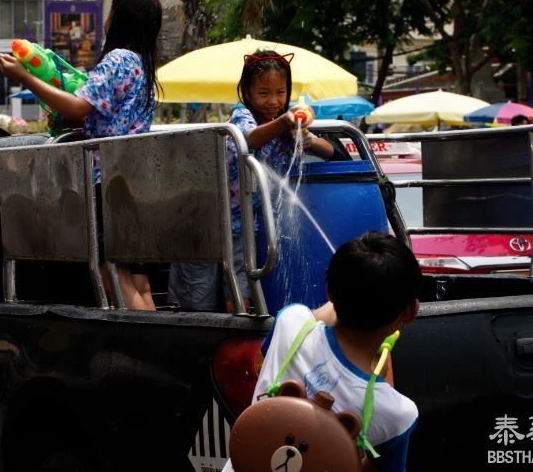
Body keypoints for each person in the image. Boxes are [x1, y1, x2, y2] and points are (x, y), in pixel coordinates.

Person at [0, 0, 163, 311]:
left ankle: (145, 344)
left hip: (108, 181)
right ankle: (159, 344)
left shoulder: (118, 59)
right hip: (138, 180)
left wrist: (24, 77)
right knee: (138, 280)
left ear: (118, 20)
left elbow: (78, 107)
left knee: (110, 270)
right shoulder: (143, 65)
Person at [226, 231, 422, 471]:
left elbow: (316, 317)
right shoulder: (398, 415)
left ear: (329, 291)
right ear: (411, 311)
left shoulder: (292, 323)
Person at [168, 50, 334, 313]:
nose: (273, 101)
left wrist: (310, 141)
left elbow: (329, 151)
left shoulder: (286, 124)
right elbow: (249, 138)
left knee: (242, 277)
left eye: (281, 92)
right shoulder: (241, 116)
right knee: (213, 286)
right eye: (264, 93)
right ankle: (219, 333)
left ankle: (240, 326)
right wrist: (283, 122)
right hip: (215, 221)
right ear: (246, 90)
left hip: (248, 224)